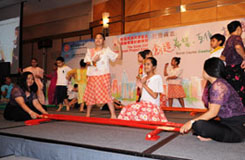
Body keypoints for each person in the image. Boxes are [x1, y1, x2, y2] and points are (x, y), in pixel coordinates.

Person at [180, 58, 245, 142]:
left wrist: (191, 122)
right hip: (226, 123)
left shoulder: (218, 85)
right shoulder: (216, 83)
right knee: (199, 124)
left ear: (209, 70)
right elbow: (212, 111)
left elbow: (213, 113)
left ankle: (214, 135)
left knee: (198, 125)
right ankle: (213, 135)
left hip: (236, 128)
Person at [83, 33, 122, 118]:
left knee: (107, 94)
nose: (98, 40)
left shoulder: (106, 50)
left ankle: (113, 114)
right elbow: (87, 63)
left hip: (104, 75)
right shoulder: (90, 51)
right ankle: (88, 114)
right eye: (96, 38)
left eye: (100, 38)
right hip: (92, 75)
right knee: (90, 95)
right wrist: (94, 61)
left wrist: (119, 46)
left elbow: (118, 57)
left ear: (103, 41)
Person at [118, 57, 167, 122]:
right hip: (143, 103)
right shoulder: (144, 77)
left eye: (148, 64)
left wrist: (144, 84)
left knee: (140, 116)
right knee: (126, 109)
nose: (146, 66)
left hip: (152, 106)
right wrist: (140, 86)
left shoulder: (157, 77)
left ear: (154, 67)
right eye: (145, 64)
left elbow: (155, 95)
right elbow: (142, 94)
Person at [220, 20, 245, 106]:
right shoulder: (237, 38)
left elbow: (222, 56)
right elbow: (238, 47)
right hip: (237, 69)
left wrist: (230, 61)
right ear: (238, 29)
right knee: (241, 91)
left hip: (229, 70)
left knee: (232, 92)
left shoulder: (229, 40)